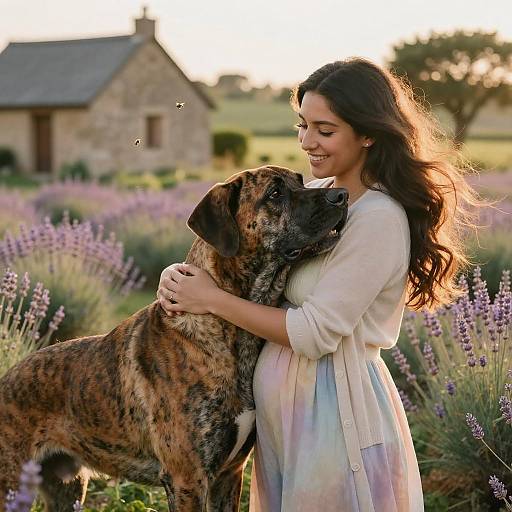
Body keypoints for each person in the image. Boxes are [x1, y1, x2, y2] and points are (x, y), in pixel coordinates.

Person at [157, 58, 486, 511]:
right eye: (302, 125)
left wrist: (210, 300)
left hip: (335, 414)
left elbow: (315, 333)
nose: (307, 142)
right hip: (289, 420)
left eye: (324, 130)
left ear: (367, 134)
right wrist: (181, 278)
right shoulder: (321, 199)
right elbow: (253, 260)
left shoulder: (378, 219)